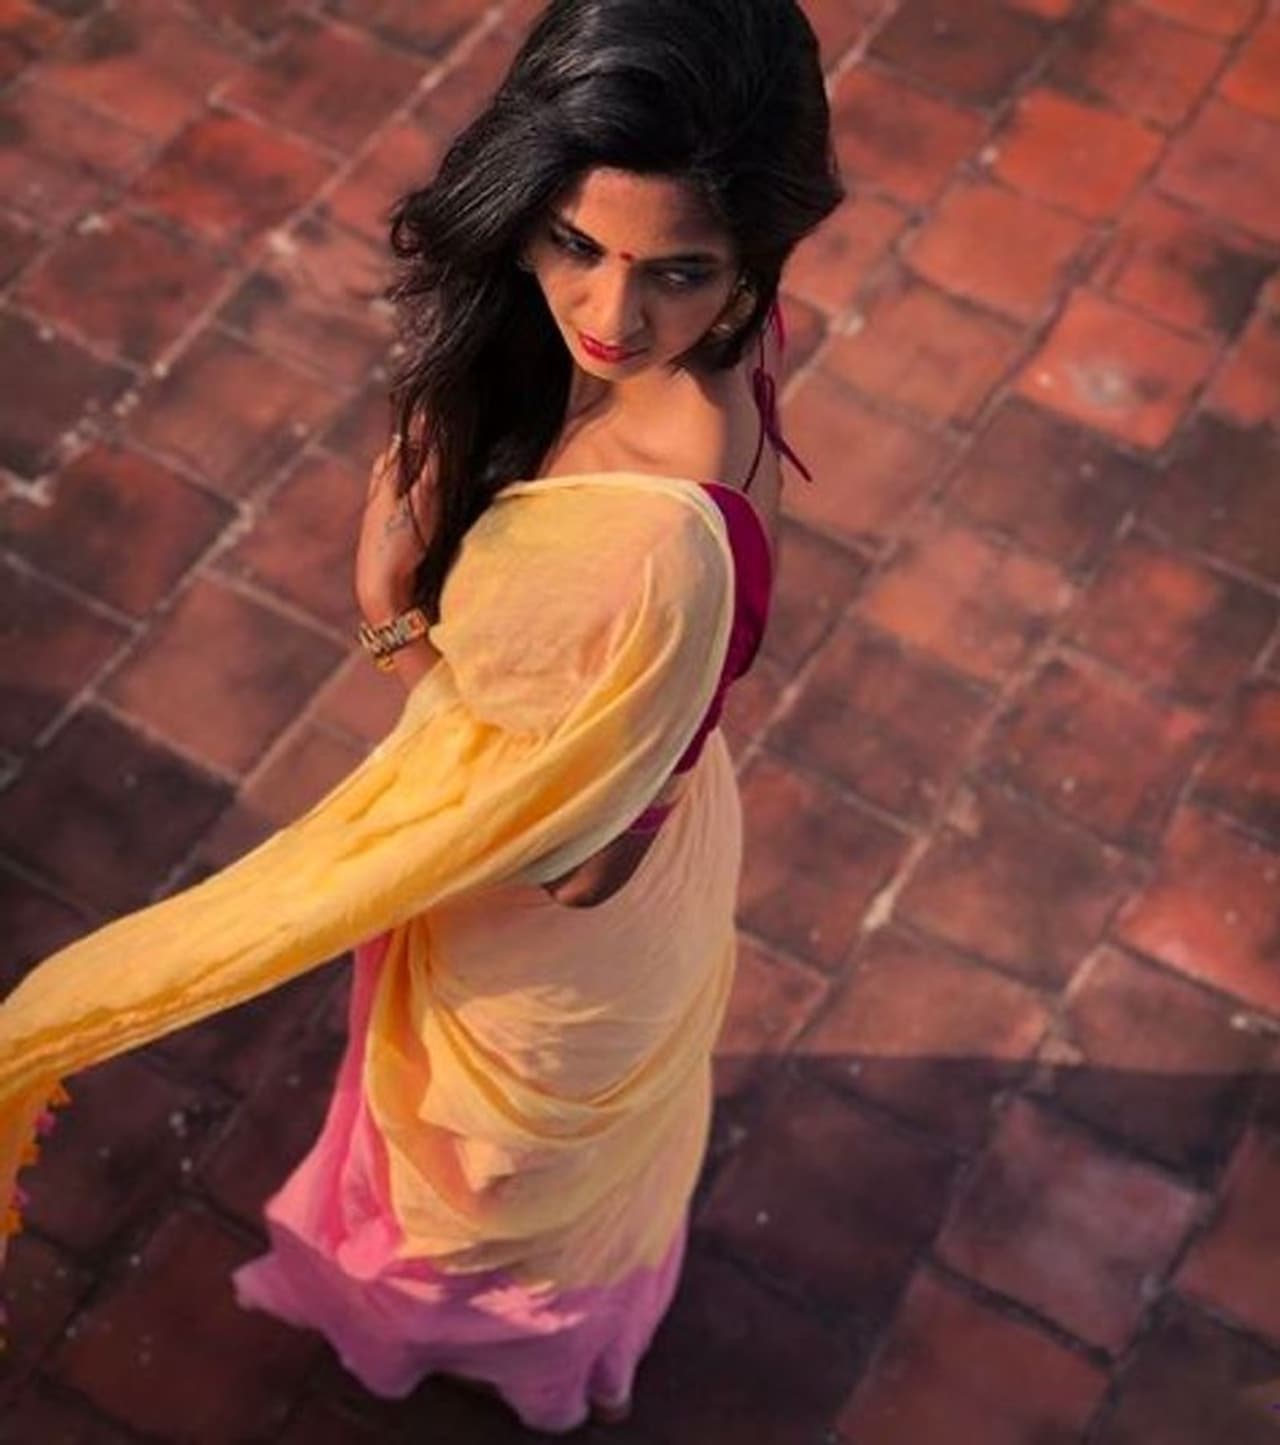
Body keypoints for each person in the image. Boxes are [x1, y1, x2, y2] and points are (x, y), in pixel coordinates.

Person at [0, 0, 840, 1431]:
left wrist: (390, 614)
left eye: (676, 272)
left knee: (476, 1198)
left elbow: (582, 861)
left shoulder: (657, 545)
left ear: (752, 256)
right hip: (638, 818)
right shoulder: (718, 347)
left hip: (554, 932)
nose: (610, 317)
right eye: (575, 243)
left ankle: (489, 1364)